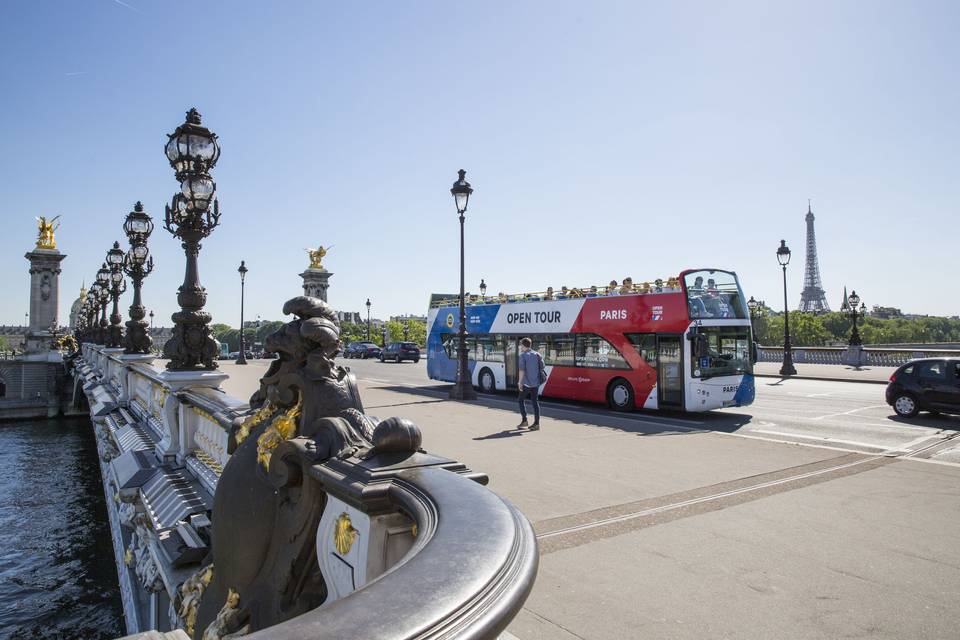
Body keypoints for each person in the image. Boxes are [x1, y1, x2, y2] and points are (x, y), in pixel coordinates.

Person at [517, 337, 543, 430]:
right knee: (535, 402)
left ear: (524, 346)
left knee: (520, 400)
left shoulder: (522, 355)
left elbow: (521, 370)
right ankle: (536, 424)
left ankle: (524, 421)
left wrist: (520, 382)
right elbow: (542, 366)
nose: (520, 347)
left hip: (526, 383)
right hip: (536, 383)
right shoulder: (537, 354)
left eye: (521, 345)